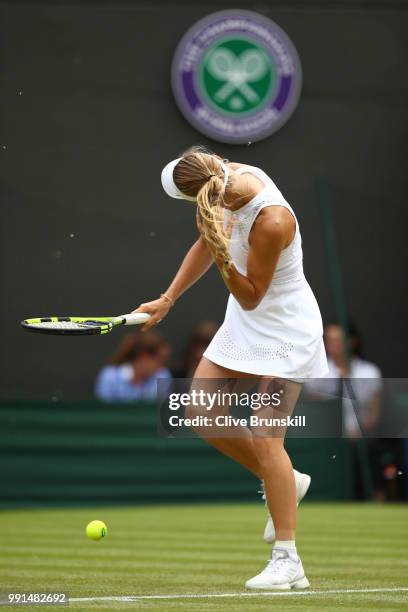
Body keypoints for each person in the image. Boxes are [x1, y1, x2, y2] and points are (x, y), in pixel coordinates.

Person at [132, 145, 328, 590]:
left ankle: (288, 559)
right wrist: (169, 298)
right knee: (199, 411)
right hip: (244, 327)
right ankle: (284, 479)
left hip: (286, 333)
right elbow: (207, 241)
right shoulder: (222, 178)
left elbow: (251, 294)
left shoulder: (272, 220)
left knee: (265, 435)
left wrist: (222, 250)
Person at [95, 330, 172, 403]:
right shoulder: (109, 376)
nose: (161, 366)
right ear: (143, 356)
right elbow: (104, 409)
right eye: (159, 360)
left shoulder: (163, 375)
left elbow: (163, 410)